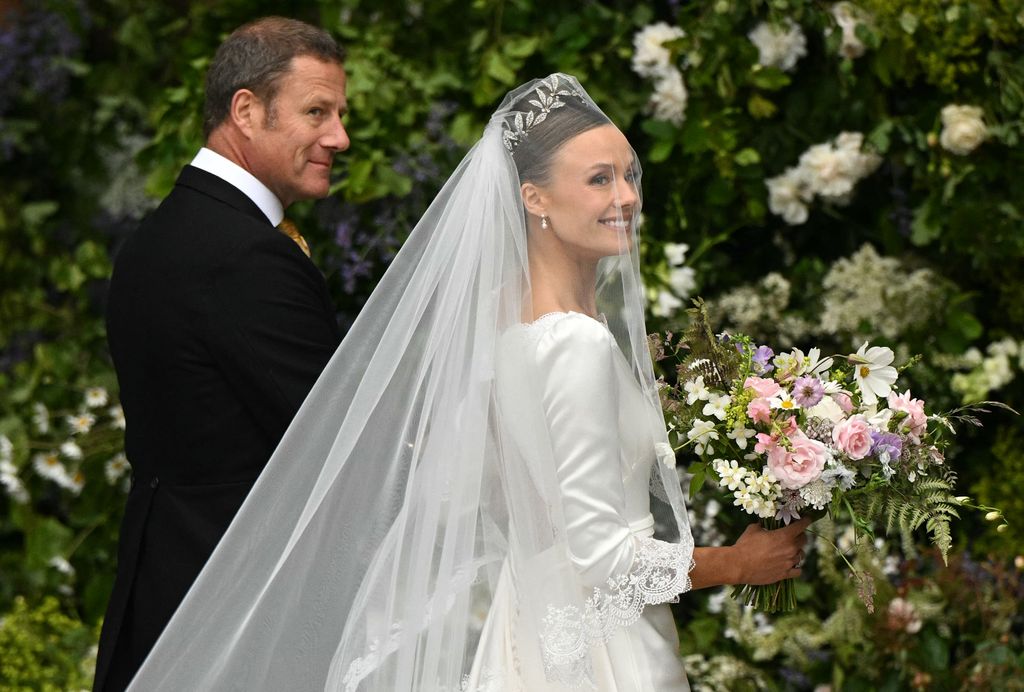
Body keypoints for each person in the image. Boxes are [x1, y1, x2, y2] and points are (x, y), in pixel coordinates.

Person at [125, 74, 807, 691]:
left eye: (629, 175)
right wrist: (740, 563)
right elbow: (604, 561)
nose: (626, 196)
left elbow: (483, 499)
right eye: (599, 179)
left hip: (528, 631)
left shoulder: (506, 331)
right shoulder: (575, 344)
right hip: (599, 655)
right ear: (533, 196)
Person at [94, 17, 349, 692]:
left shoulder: (164, 233)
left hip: (165, 590)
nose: (339, 138)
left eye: (340, 115)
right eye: (316, 112)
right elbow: (336, 444)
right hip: (236, 619)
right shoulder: (245, 257)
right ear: (245, 110)